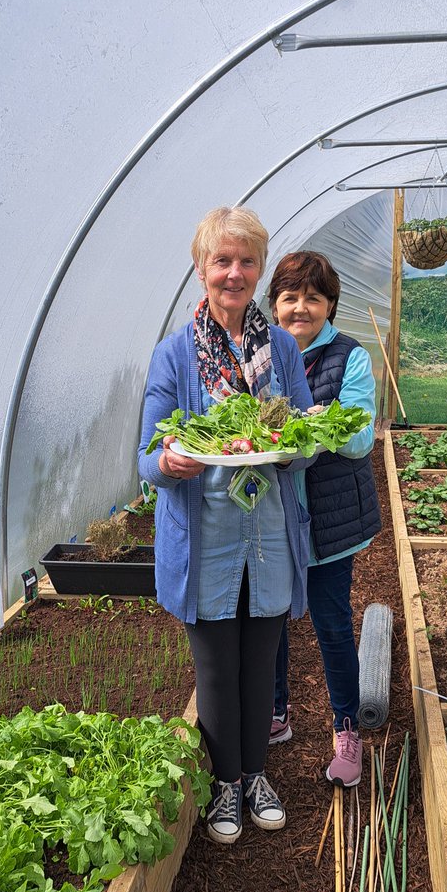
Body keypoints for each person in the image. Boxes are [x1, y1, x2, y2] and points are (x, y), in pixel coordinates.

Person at [138, 208, 314, 845]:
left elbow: (302, 436)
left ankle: (257, 774)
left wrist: (298, 445)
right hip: (205, 537)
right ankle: (225, 787)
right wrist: (167, 461)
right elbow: (145, 459)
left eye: (245, 262)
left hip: (267, 532)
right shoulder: (176, 355)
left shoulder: (284, 349)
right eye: (222, 261)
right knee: (215, 669)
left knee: (261, 661)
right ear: (201, 268)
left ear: (259, 270)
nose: (233, 273)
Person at [267, 251, 381, 787]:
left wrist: (315, 422)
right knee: (272, 620)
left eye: (313, 297)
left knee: (332, 625)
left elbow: (359, 439)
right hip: (274, 521)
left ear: (330, 304)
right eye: (290, 297)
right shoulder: (258, 359)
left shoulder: (350, 357)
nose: (300, 308)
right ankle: (276, 712)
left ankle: (346, 728)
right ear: (274, 306)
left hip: (330, 525)